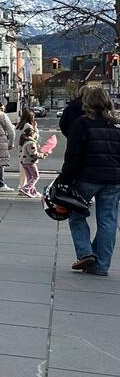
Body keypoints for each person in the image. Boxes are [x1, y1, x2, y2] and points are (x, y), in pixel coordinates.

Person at [58, 83, 120, 276]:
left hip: (87, 177)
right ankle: (101, 265)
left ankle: (85, 252)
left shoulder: (82, 123)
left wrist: (65, 181)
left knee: (76, 215)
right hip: (113, 179)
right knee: (108, 221)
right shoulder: (117, 124)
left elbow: (73, 156)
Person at [17, 109, 43, 198]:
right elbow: (35, 137)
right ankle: (26, 189)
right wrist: (35, 128)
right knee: (34, 176)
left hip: (22, 152)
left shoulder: (20, 125)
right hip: (29, 155)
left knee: (26, 174)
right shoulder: (28, 127)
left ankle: (31, 191)